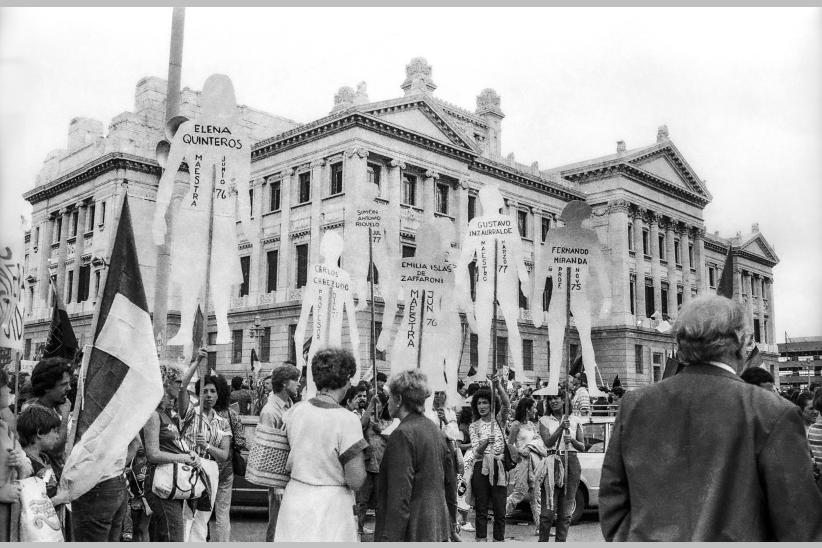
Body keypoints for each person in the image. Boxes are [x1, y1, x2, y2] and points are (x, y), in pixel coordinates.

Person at [599, 295, 822, 541]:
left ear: (681, 344)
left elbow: (612, 501)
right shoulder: (773, 412)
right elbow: (800, 525)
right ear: (740, 341)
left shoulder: (634, 405)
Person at [274, 348, 368, 542]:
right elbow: (356, 479)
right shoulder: (348, 420)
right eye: (350, 378)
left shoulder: (295, 411)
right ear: (344, 379)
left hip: (295, 499)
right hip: (331, 508)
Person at [374, 369, 458, 541]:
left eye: (390, 397)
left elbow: (399, 496)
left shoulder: (402, 434)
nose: (387, 401)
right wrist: (451, 522)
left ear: (398, 400)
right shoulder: (435, 430)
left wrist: (389, 539)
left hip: (412, 529)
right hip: (437, 526)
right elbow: (450, 483)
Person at [177, 353, 232, 542]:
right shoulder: (190, 413)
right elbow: (182, 387)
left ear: (218, 394)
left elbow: (224, 454)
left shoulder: (222, 422)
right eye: (205, 391)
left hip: (211, 470)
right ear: (199, 393)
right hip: (190, 466)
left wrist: (207, 445)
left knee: (202, 517)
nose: (209, 396)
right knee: (186, 516)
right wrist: (197, 362)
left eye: (213, 392)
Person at [142, 367, 200, 542]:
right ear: (166, 383)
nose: (181, 387)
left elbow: (174, 446)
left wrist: (190, 453)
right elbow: (152, 454)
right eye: (178, 382)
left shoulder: (169, 415)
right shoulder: (153, 414)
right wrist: (183, 458)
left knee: (164, 535)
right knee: (174, 536)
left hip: (172, 483)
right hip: (159, 483)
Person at [258, 363, 301, 541]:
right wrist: (276, 485)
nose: (299, 384)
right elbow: (267, 449)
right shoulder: (270, 411)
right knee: (276, 526)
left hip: (291, 475)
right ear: (284, 383)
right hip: (278, 479)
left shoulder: (291, 406)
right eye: (295, 381)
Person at [537, 391, 586, 541]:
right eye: (550, 399)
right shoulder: (544, 420)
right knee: (547, 514)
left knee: (565, 514)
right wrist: (560, 428)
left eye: (556, 398)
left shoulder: (576, 420)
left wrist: (571, 440)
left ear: (564, 400)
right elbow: (548, 442)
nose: (553, 401)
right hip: (552, 463)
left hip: (571, 462)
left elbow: (582, 446)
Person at [468, 376, 512, 542]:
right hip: (481, 468)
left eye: (485, 402)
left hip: (499, 467)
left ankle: (499, 541)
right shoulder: (474, 426)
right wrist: (487, 441)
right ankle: (481, 541)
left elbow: (507, 404)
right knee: (481, 510)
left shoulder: (499, 420)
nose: (481, 406)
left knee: (500, 510)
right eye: (478, 403)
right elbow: (476, 452)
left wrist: (498, 386)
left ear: (491, 404)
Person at [506, 396, 548, 533]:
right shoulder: (516, 425)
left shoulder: (531, 425)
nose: (536, 410)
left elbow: (537, 440)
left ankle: (539, 528)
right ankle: (501, 514)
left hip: (534, 462)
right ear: (527, 409)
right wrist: (519, 453)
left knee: (536, 495)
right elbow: (510, 443)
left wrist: (531, 448)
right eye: (534, 407)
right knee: (519, 493)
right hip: (522, 462)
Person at [0, 368, 33, 541]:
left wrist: (21, 463)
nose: (9, 390)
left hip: (9, 521)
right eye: (4, 385)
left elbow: (27, 467)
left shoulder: (4, 428)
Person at [213, 375, 244, 542]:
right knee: (223, 513)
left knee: (199, 513)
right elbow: (241, 441)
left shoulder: (202, 413)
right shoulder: (231, 414)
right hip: (226, 468)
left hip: (204, 467)